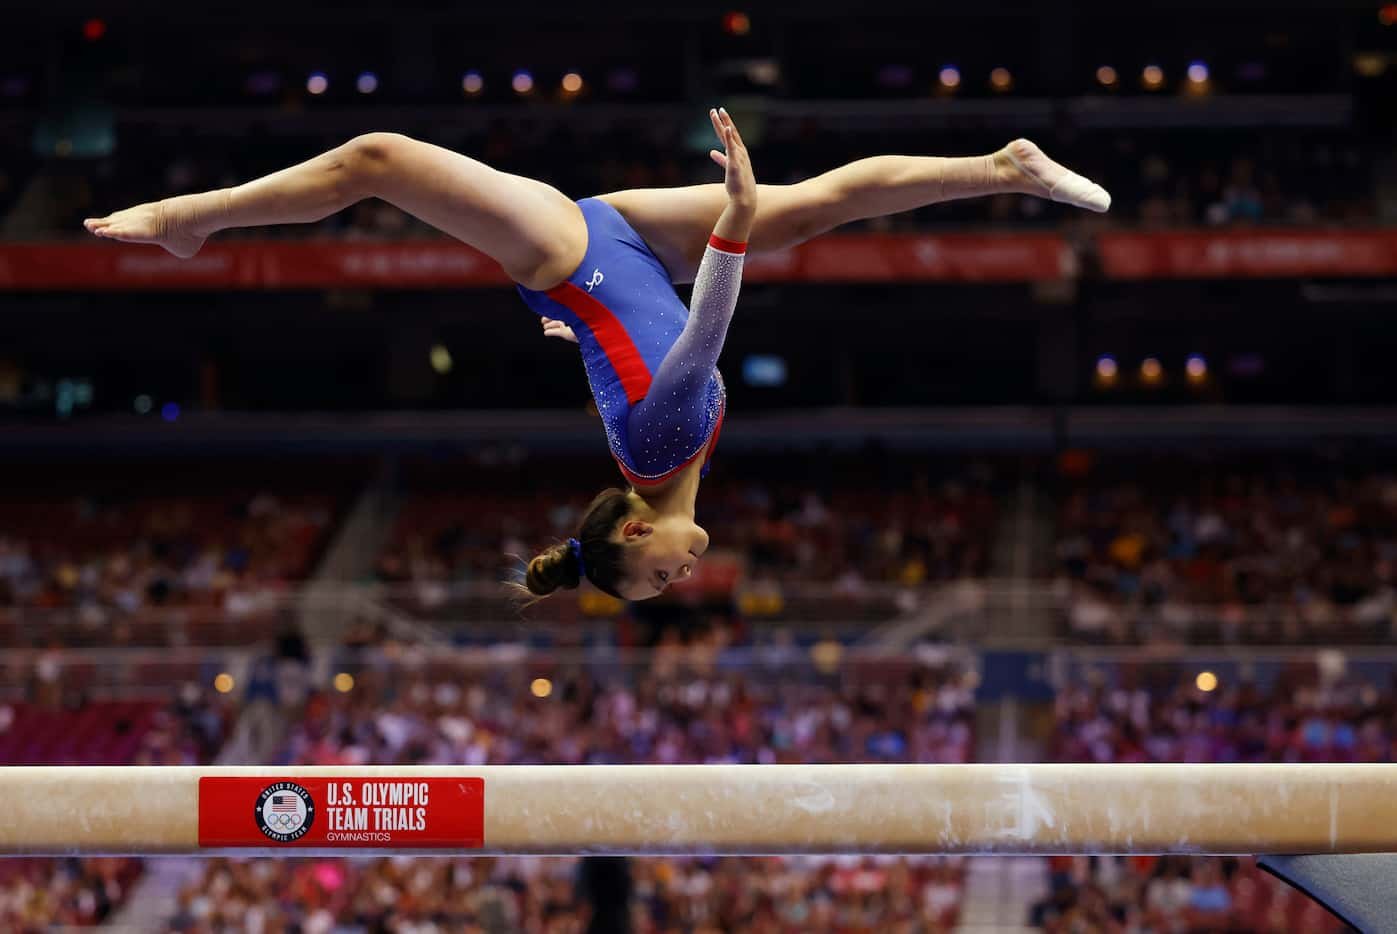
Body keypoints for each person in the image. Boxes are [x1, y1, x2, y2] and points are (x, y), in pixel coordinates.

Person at [83, 109, 1110, 601]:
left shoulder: (661, 449)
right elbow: (642, 350)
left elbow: (701, 337)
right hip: (617, 251)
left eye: (651, 578)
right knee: (823, 205)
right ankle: (1000, 165)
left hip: (571, 255)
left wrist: (733, 230)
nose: (674, 578)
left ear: (628, 529)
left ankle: (191, 221)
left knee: (375, 161)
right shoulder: (656, 460)